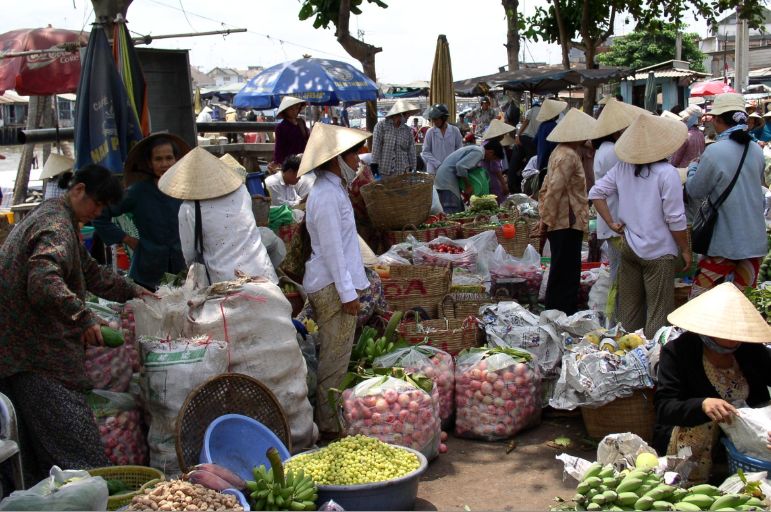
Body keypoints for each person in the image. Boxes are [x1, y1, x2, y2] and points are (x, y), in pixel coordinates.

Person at [0, 165, 149, 482]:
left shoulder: (58, 218)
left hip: (24, 351)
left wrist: (133, 290)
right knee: (78, 451)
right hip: (35, 355)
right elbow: (42, 281)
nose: (97, 213)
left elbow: (91, 273)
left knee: (41, 450)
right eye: (97, 204)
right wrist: (82, 317)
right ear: (78, 190)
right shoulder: (56, 226)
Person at [654, 283, 771, 483]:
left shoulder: (750, 350)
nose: (734, 340)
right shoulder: (678, 352)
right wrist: (702, 404)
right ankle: (694, 482)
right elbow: (665, 407)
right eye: (727, 333)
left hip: (745, 434)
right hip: (694, 433)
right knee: (701, 427)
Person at [296, 123, 371, 436]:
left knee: (336, 356)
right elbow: (332, 250)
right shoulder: (326, 195)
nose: (357, 159)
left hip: (333, 282)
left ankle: (329, 418)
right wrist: (347, 292)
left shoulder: (333, 190)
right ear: (333, 159)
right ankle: (328, 424)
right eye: (351, 154)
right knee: (334, 360)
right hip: (331, 285)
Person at [590, 114, 691, 338]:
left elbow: (596, 193)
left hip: (630, 247)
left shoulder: (623, 168)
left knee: (629, 312)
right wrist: (684, 249)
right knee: (658, 312)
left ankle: (626, 356)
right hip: (659, 251)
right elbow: (675, 219)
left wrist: (611, 222)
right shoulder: (667, 173)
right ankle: (652, 359)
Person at [686, 93, 767, 296]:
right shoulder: (756, 150)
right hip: (754, 242)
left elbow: (695, 190)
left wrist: (692, 169)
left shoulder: (714, 152)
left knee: (701, 303)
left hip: (724, 242)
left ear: (718, 120)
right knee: (744, 303)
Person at [160, 147, 278, 285]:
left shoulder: (189, 208)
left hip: (227, 284)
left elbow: (190, 255)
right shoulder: (241, 190)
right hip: (263, 274)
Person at [92, 133, 190, 290]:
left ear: (176, 161)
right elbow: (99, 215)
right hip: (147, 272)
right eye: (158, 159)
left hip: (182, 270)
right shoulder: (137, 192)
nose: (164, 164)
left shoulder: (187, 191)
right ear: (149, 163)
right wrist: (126, 238)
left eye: (169, 158)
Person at [590, 98, 645, 317]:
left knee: (618, 276)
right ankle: (615, 321)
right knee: (620, 279)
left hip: (611, 222)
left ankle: (615, 320)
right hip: (615, 222)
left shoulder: (605, 149)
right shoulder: (613, 152)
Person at [539, 108, 596, 315]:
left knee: (562, 269)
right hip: (566, 221)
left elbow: (547, 185)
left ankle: (557, 311)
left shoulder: (560, 152)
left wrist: (545, 218)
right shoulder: (568, 156)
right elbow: (554, 189)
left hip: (562, 220)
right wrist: (546, 221)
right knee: (566, 271)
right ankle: (562, 311)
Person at [434, 144, 496, 214]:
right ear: (491, 152)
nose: (490, 160)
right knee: (452, 211)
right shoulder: (479, 152)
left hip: (443, 177)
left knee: (458, 208)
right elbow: (461, 166)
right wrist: (468, 186)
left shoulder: (476, 149)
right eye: (493, 158)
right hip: (447, 179)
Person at [370, 99, 418, 177]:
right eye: (407, 114)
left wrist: (413, 168)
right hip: (384, 171)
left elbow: (411, 151)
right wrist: (374, 164)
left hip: (402, 171)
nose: (409, 117)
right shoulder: (381, 126)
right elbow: (376, 146)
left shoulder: (408, 131)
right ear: (400, 114)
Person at [508, 99, 542, 194]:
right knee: (530, 166)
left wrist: (518, 135)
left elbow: (525, 123)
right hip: (531, 141)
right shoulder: (543, 113)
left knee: (514, 164)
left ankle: (512, 187)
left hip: (523, 138)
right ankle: (528, 190)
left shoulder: (532, 110)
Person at [535, 99, 567, 191]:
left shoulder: (542, 125)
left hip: (541, 163)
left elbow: (535, 141)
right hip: (549, 164)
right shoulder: (553, 126)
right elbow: (555, 146)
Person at [421, 104, 463, 174]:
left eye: (436, 119)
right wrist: (437, 164)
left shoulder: (454, 130)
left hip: (450, 169)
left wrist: (453, 163)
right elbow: (425, 152)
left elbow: (459, 149)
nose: (434, 122)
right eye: (433, 120)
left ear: (443, 118)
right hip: (434, 170)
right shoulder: (430, 132)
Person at [272, 96, 310, 169]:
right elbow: (279, 148)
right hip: (289, 163)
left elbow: (306, 140)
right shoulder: (281, 127)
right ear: (285, 110)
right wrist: (278, 163)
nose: (294, 111)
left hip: (303, 160)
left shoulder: (301, 122)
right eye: (291, 109)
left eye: (296, 108)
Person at [479, 139, 508, 204]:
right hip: (493, 181)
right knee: (497, 202)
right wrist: (503, 184)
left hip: (484, 179)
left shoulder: (484, 144)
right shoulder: (494, 148)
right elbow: (496, 168)